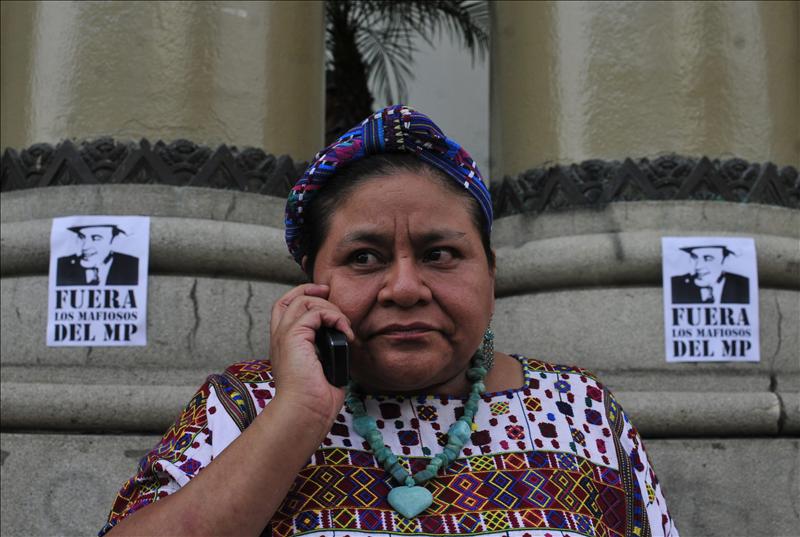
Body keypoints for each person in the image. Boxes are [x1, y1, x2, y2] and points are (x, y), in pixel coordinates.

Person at [100, 106, 678, 536]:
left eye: (440, 254)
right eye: (364, 258)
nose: (404, 288)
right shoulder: (243, 406)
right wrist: (297, 413)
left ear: (491, 274)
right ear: (311, 278)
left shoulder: (582, 410)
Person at [56, 224, 139, 286]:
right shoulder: (62, 265)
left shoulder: (133, 266)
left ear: (114, 241)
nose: (85, 247)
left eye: (96, 238)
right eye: (82, 237)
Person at [671, 245, 749, 304]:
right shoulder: (675, 285)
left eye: (708, 258)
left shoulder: (744, 286)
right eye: (695, 257)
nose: (698, 266)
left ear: (725, 260)